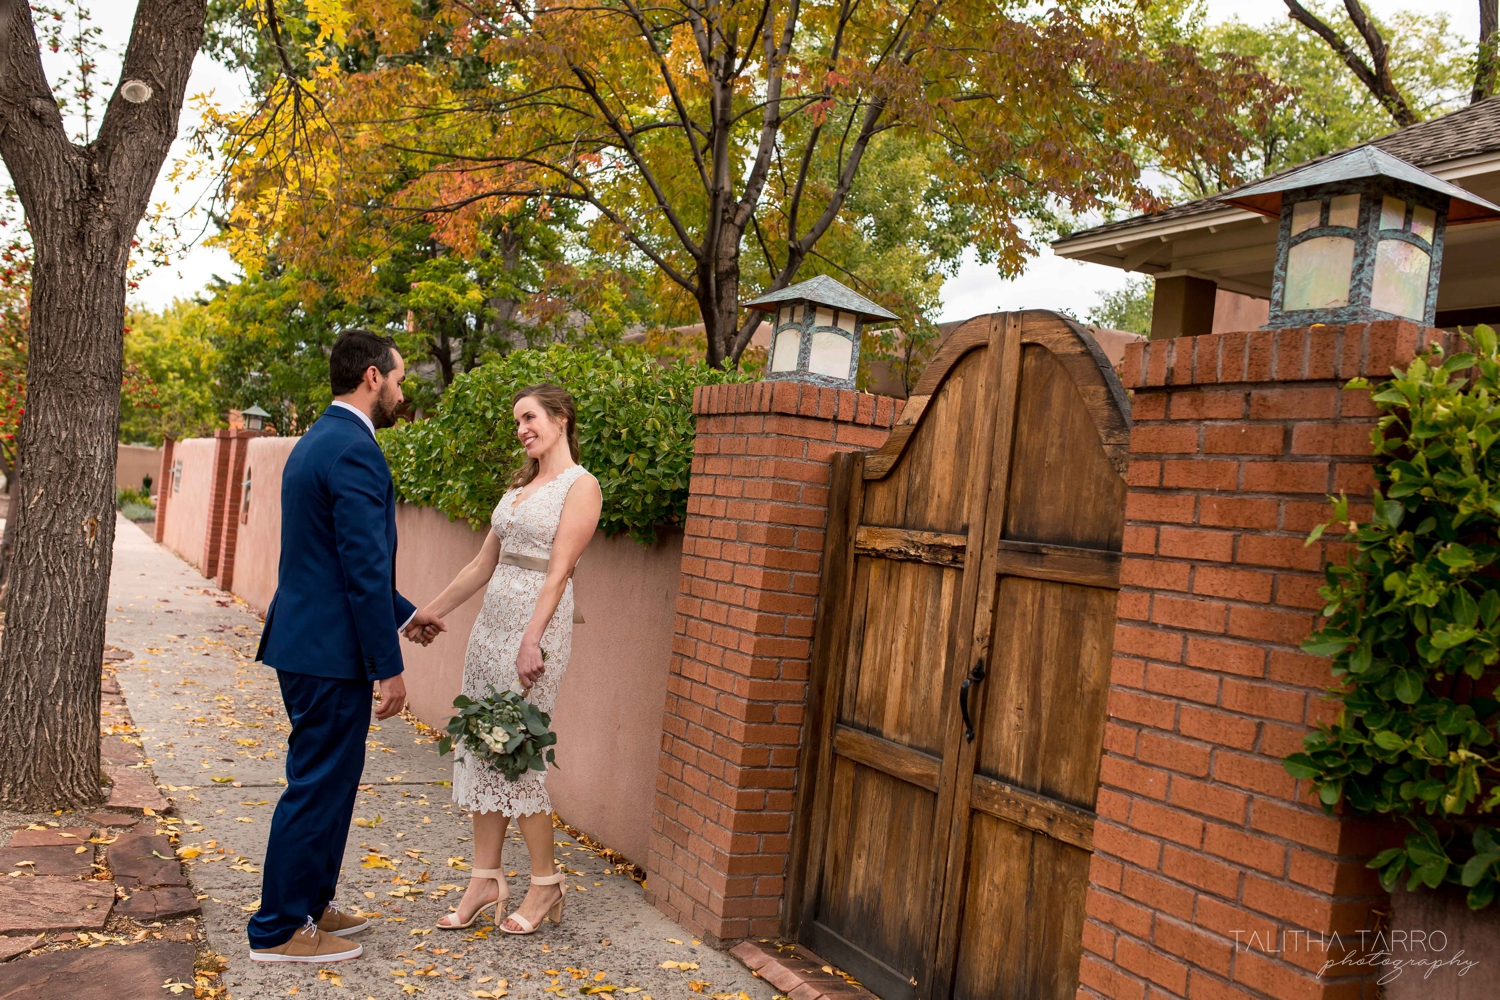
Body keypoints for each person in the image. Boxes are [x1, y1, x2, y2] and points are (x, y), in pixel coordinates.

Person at [248, 329, 446, 963]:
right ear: (371, 377)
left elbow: (330, 564)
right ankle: (278, 929)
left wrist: (405, 613)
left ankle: (310, 903)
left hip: (309, 640)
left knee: (332, 782)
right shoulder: (355, 450)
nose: (401, 389)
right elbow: (360, 567)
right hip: (327, 654)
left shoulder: (316, 442)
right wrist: (389, 669)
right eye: (399, 377)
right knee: (316, 786)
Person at [410, 383, 601, 935]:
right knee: (479, 745)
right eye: (518, 421)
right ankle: (485, 877)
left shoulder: (580, 486)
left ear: (561, 418)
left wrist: (531, 639)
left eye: (531, 418)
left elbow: (560, 568)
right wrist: (428, 611)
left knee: (516, 751)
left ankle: (545, 884)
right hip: (490, 631)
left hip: (534, 630)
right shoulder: (521, 485)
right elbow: (480, 565)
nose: (522, 429)